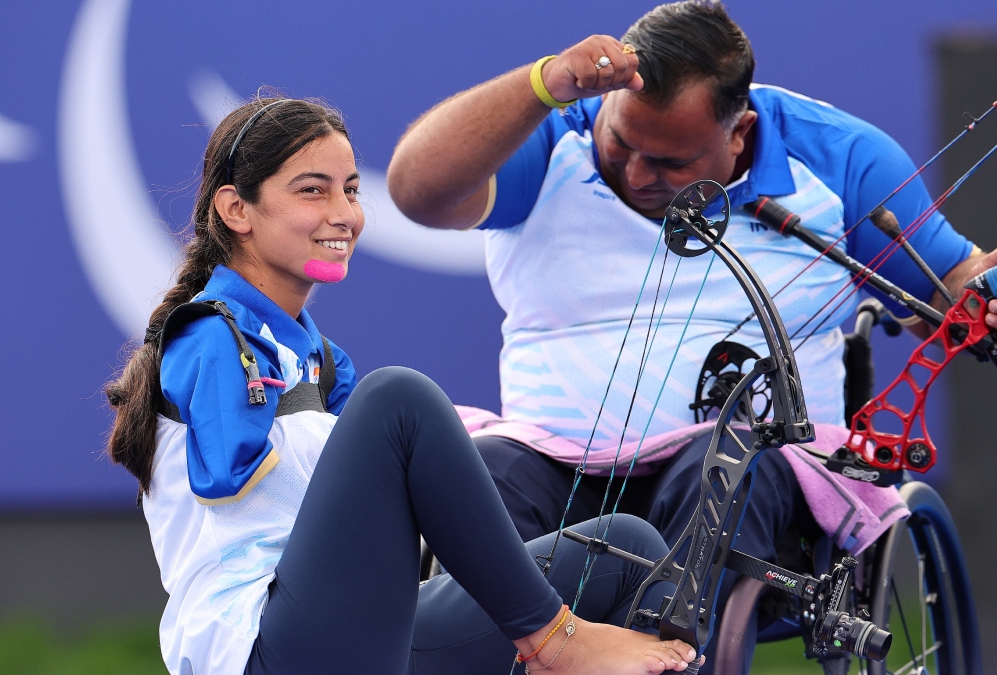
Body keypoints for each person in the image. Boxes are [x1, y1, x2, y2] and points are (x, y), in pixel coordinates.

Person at [387, 1, 997, 671]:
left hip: (743, 469)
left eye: (671, 161)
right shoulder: (552, 133)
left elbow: (940, 297)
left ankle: (664, 659)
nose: (636, 173)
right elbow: (417, 191)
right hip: (553, 460)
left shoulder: (841, 158)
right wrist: (540, 85)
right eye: (621, 144)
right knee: (483, 472)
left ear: (738, 134)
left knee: (724, 462)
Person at [103, 96, 700, 675]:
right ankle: (551, 638)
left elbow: (368, 506)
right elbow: (231, 475)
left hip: (366, 628)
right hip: (266, 648)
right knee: (398, 399)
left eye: (352, 189)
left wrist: (437, 482)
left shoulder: (320, 358)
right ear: (236, 210)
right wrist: (416, 479)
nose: (345, 213)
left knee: (627, 551)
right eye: (313, 189)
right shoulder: (210, 337)